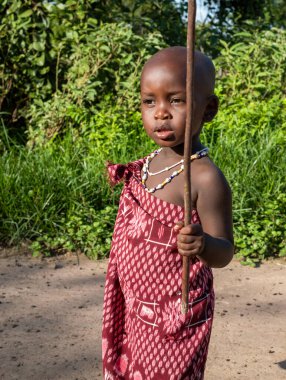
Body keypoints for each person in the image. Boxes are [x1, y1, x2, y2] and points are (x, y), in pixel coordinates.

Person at [102, 46, 234, 380]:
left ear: (209, 109)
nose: (161, 113)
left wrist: (203, 243)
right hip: (134, 306)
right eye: (150, 101)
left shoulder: (204, 178)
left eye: (176, 100)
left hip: (176, 317)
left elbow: (225, 251)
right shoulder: (148, 165)